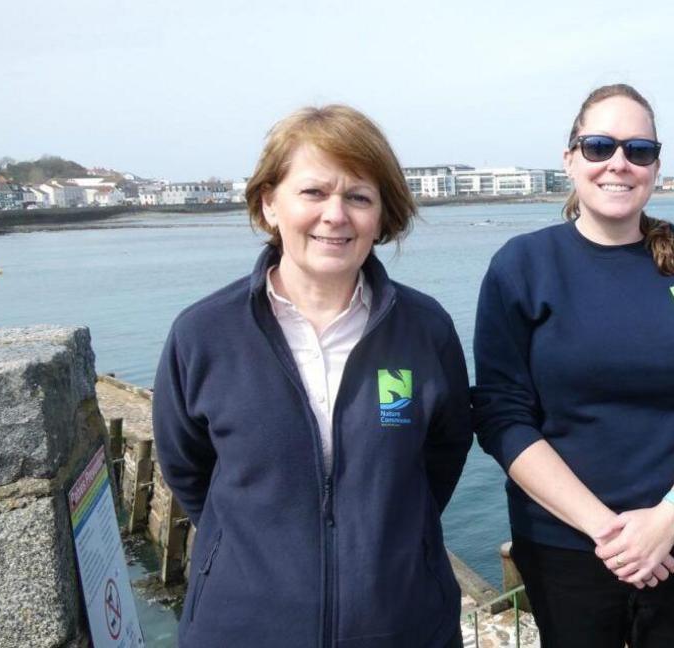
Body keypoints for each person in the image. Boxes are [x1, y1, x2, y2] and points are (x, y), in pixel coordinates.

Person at [153, 105, 472, 647]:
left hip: (404, 628)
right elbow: (188, 471)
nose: (336, 215)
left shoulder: (426, 329)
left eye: (358, 197)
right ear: (268, 204)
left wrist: (391, 543)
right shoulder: (203, 335)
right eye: (314, 193)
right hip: (242, 629)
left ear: (381, 215)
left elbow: (443, 453)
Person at [471, 83, 674, 648]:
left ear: (656, 165)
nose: (619, 163)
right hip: (565, 544)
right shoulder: (523, 266)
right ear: (570, 159)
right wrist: (609, 532)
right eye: (599, 146)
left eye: (639, 150)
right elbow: (501, 415)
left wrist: (670, 517)